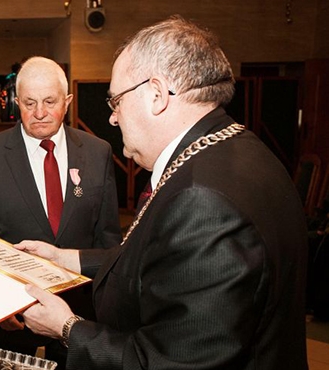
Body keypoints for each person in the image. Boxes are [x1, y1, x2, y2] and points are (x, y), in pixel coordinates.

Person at [17, 16, 308, 369]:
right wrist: (64, 259)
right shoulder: (239, 151)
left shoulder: (203, 202)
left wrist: (67, 328)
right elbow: (158, 260)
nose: (112, 118)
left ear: (156, 94)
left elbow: (168, 361)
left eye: (116, 102)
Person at [0, 56, 121, 368]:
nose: (40, 113)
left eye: (49, 101)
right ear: (17, 102)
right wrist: (0, 307)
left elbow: (109, 239)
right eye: (29, 103)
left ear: (68, 101)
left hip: (79, 312)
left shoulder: (98, 152)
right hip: (12, 315)